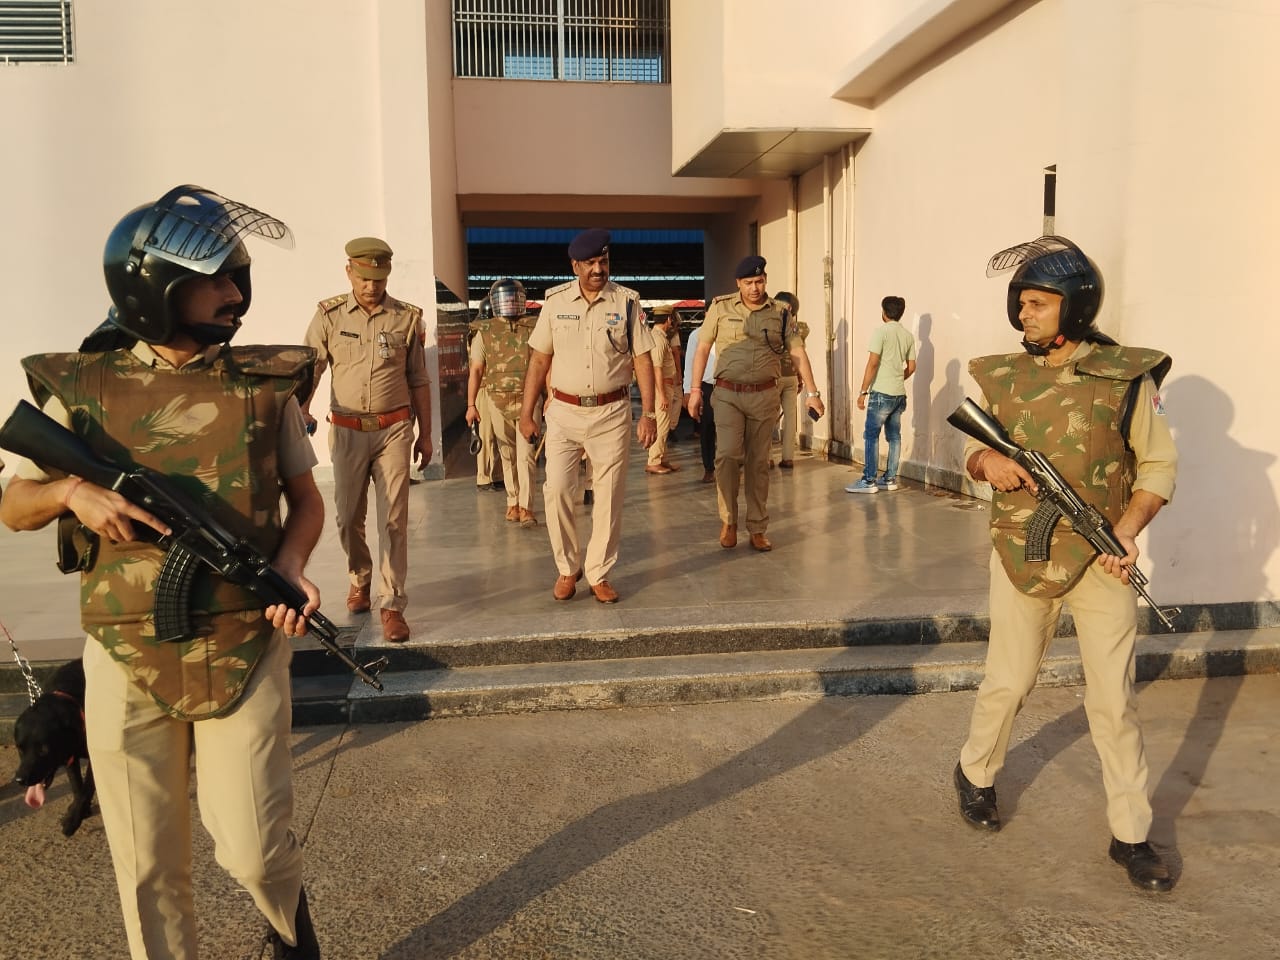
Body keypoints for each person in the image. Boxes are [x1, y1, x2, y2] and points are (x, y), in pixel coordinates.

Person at [0, 185, 324, 958]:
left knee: (254, 848)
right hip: (122, 651)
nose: (236, 293)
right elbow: (14, 505)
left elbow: (306, 500)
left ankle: (288, 929)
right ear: (155, 287)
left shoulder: (264, 387)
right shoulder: (80, 388)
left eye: (237, 276)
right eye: (215, 280)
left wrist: (291, 563)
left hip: (243, 642)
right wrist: (71, 493)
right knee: (147, 864)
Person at [952, 235, 1178, 893]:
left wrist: (1127, 531)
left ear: (1074, 307)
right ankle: (975, 772)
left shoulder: (1126, 377)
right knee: (1010, 679)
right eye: (1021, 302)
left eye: (1039, 303)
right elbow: (967, 451)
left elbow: (1158, 465)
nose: (1024, 314)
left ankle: (1131, 834)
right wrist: (984, 461)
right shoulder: (1001, 376)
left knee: (1114, 700)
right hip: (1020, 550)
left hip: (1101, 558)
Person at [301, 236, 432, 642]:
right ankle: (359, 576)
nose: (371, 286)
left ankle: (392, 603)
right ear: (349, 272)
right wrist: (301, 407)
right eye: (364, 278)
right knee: (346, 517)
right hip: (347, 430)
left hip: (394, 430)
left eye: (379, 279)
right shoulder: (329, 315)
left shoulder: (406, 318)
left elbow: (419, 379)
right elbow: (311, 368)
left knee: (393, 519)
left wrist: (426, 435)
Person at [519, 228, 658, 603]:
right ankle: (568, 568)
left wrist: (648, 413)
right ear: (575, 266)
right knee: (557, 490)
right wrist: (527, 412)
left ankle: (598, 572)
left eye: (604, 261)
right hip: (563, 412)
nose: (599, 269)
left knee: (609, 496)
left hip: (611, 412)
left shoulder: (626, 302)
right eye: (591, 263)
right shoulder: (555, 302)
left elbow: (643, 360)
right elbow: (539, 360)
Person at [687, 256, 824, 551]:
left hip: (764, 396)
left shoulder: (781, 313)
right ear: (738, 283)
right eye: (748, 282)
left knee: (758, 463)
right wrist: (695, 389)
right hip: (727, 394)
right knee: (726, 456)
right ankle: (729, 521)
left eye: (759, 282)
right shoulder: (721, 308)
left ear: (766, 281)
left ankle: (758, 527)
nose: (754, 288)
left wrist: (813, 392)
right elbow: (703, 348)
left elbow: (797, 352)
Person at [467, 278, 540, 526]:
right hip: (497, 401)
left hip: (529, 400)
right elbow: (476, 370)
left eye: (513, 297)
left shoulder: (534, 328)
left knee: (526, 454)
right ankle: (513, 501)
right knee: (507, 454)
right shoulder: (484, 332)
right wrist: (471, 405)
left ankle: (527, 506)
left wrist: (550, 396)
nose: (509, 302)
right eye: (504, 298)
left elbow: (545, 362)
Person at [846, 295, 916, 493]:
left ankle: (869, 481)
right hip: (899, 394)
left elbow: (873, 363)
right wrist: (897, 378)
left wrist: (863, 391)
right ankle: (890, 479)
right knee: (894, 437)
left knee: (871, 436)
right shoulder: (908, 336)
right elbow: (912, 367)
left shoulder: (880, 332)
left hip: (881, 393)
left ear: (884, 313)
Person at [468, 295, 504, 494]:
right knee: (485, 435)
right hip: (483, 389)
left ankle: (496, 475)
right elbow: (477, 368)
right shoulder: (477, 335)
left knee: (498, 435)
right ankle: (483, 477)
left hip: (496, 387)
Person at [772, 291, 810, 470]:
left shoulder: (770, 325)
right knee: (790, 418)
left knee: (768, 418)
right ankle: (788, 457)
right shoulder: (800, 329)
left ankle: (766, 457)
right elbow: (800, 354)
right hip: (792, 377)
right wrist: (800, 377)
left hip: (773, 378)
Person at [644, 304, 683, 475]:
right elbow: (657, 368)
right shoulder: (659, 339)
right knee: (661, 425)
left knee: (664, 425)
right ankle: (654, 461)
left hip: (665, 386)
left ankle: (662, 458)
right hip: (662, 387)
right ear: (668, 319)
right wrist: (662, 395)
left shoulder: (658, 336)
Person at [683, 318, 718, 483]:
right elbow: (689, 364)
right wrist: (688, 392)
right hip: (706, 387)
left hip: (727, 386)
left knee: (730, 429)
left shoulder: (729, 332)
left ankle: (730, 466)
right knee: (707, 428)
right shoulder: (696, 335)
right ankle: (709, 468)